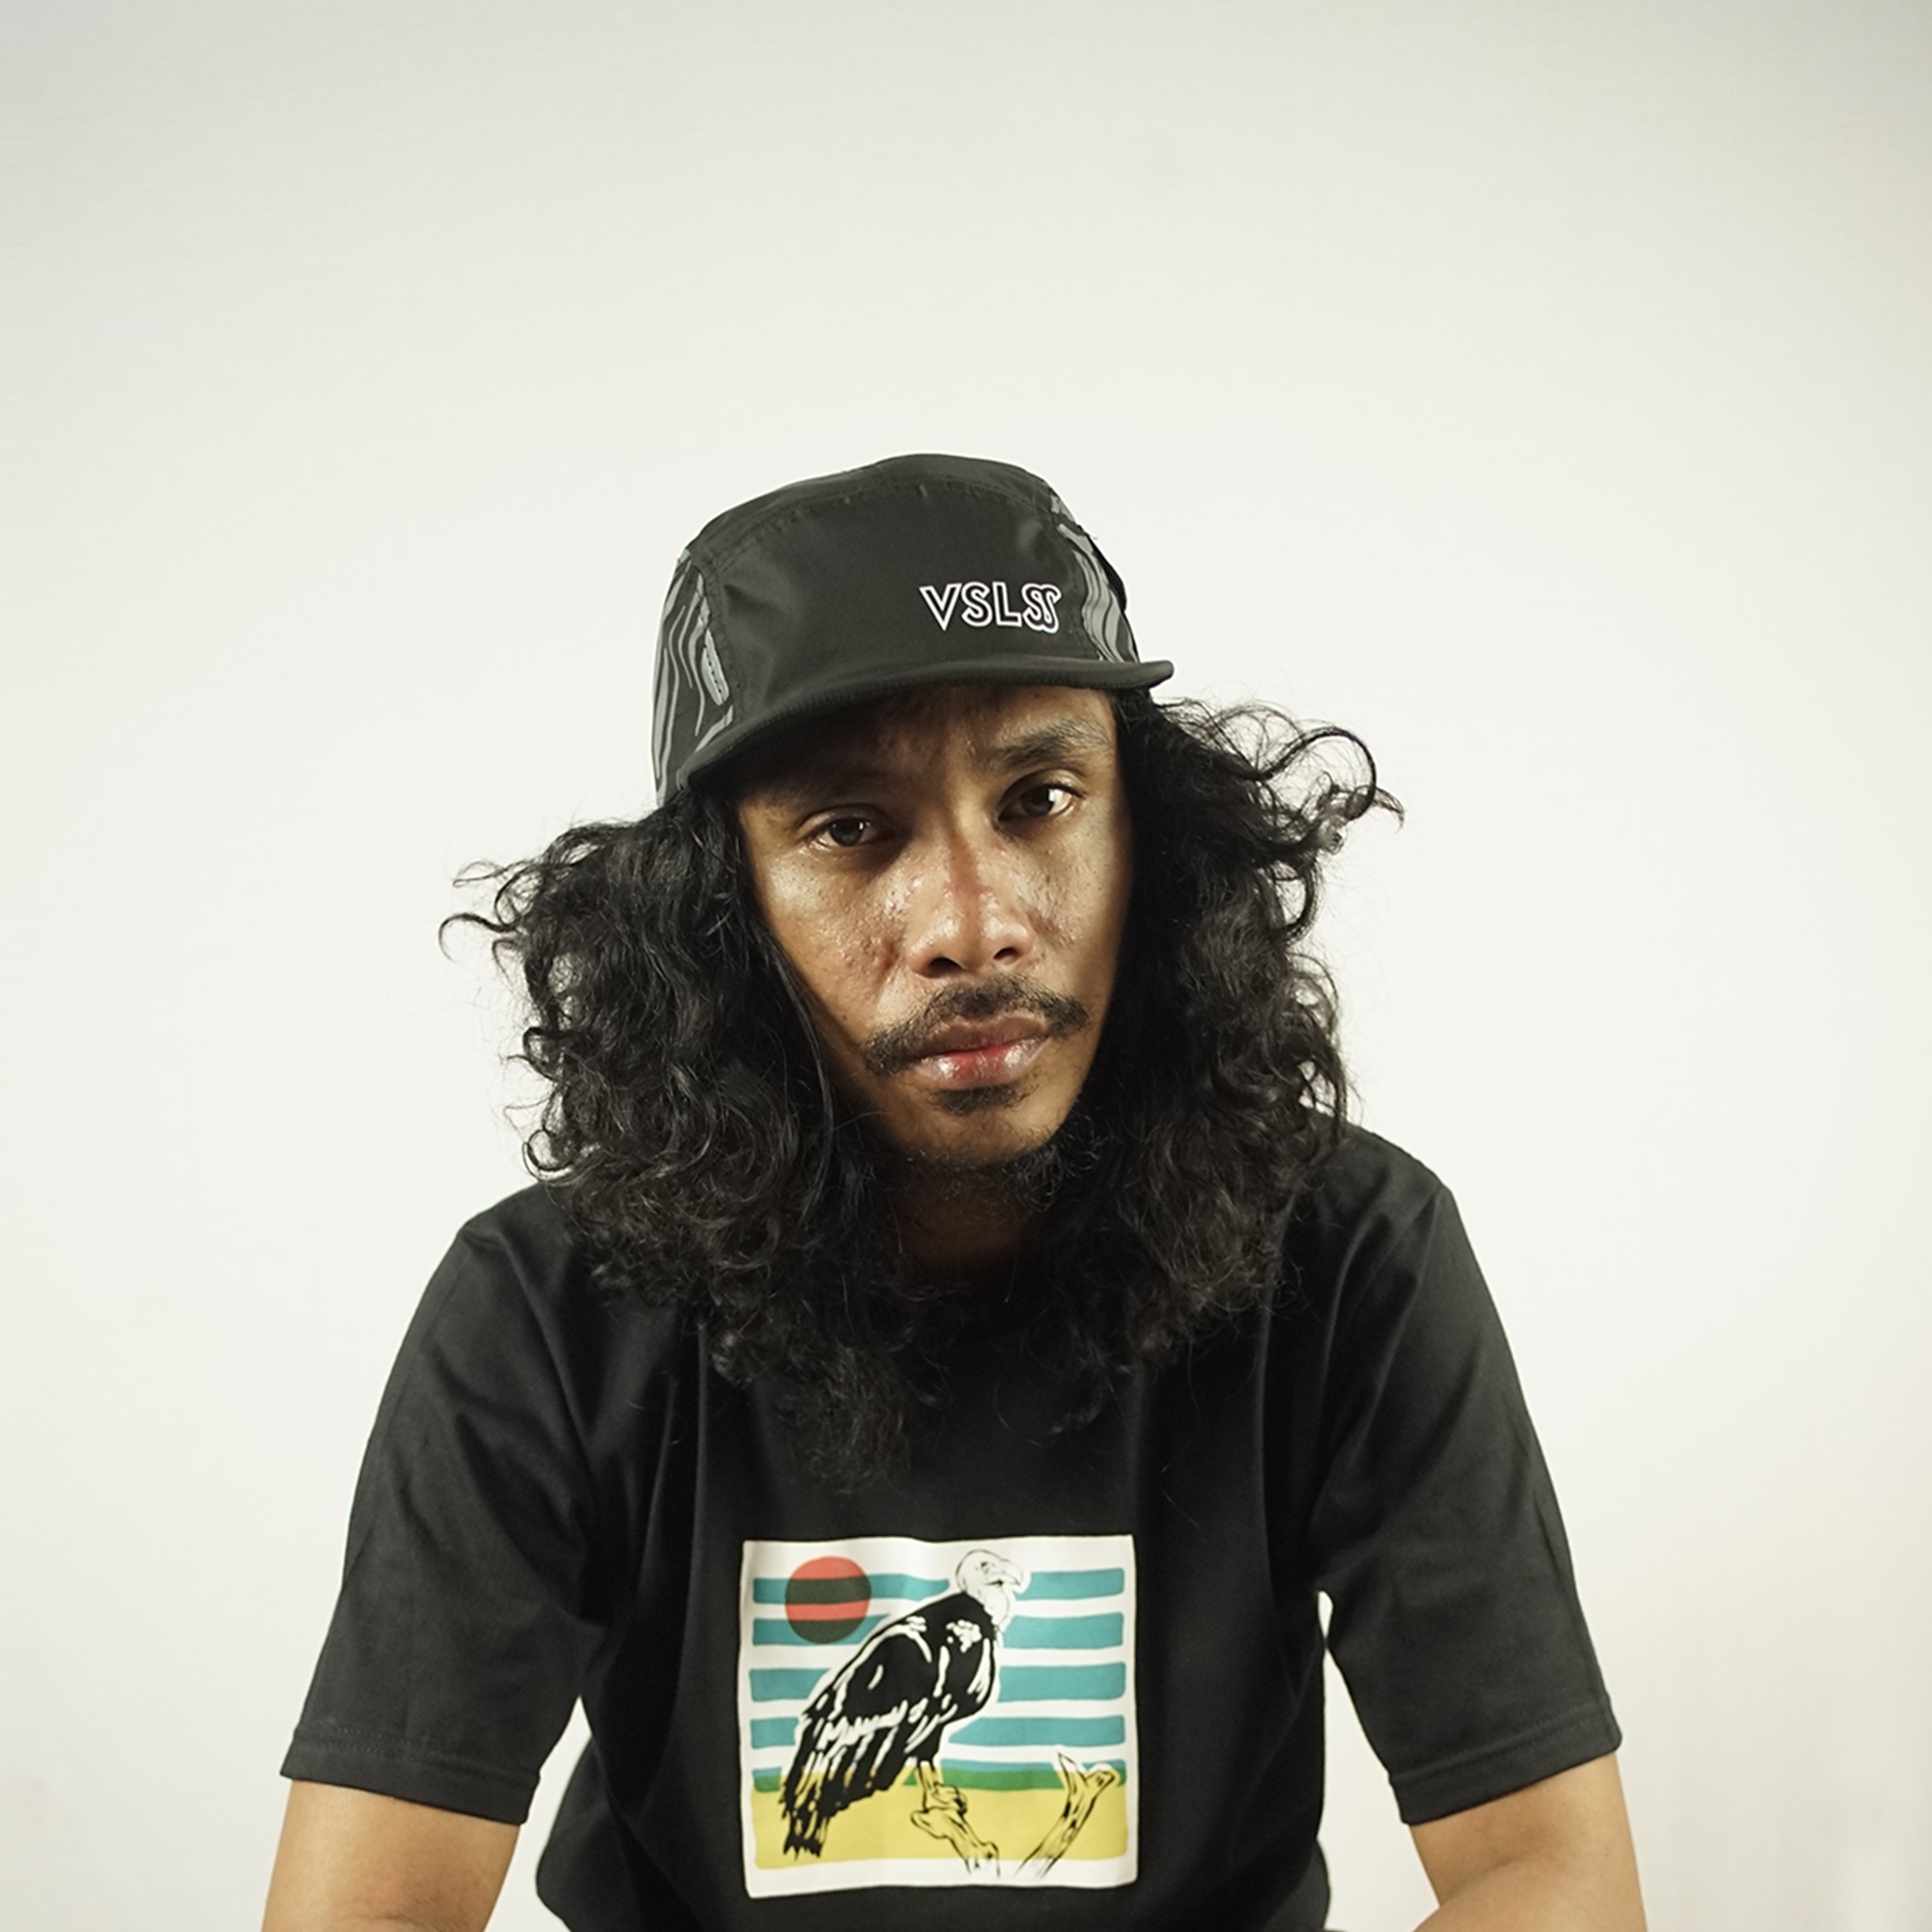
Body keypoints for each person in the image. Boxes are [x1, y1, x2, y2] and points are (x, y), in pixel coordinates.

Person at [264, 453, 1644, 1931]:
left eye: (1040, 798)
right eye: (850, 830)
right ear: (719, 910)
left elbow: (1553, 1877)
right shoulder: (544, 1310)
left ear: (1152, 838)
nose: (973, 927)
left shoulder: (1355, 1253)